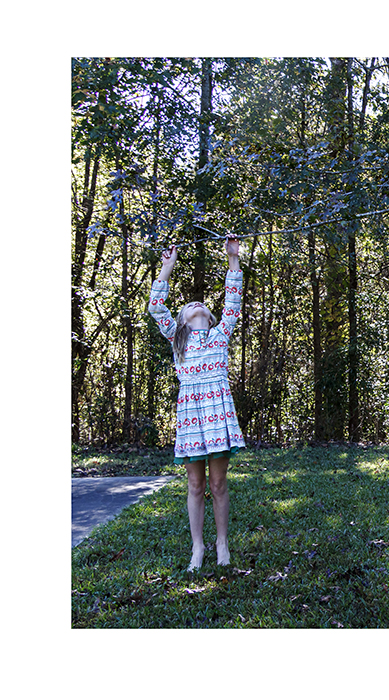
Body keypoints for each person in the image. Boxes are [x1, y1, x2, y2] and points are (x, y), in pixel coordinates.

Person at [148, 235, 246, 571]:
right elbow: (155, 307)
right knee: (195, 483)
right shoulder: (178, 338)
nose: (196, 303)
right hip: (191, 415)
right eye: (188, 305)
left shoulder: (221, 334)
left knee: (218, 483)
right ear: (183, 320)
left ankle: (222, 545)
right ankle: (197, 548)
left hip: (217, 414)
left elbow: (233, 300)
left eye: (200, 303)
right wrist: (167, 265)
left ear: (208, 315)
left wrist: (233, 258)